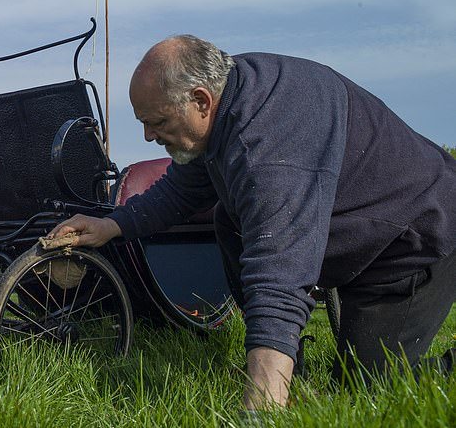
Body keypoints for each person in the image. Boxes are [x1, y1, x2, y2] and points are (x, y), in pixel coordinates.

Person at [47, 34, 456, 409]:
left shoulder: (268, 142)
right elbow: (180, 192)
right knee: (231, 216)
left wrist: (261, 406)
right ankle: (287, 368)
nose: (149, 137)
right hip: (357, 229)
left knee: (367, 391)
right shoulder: (229, 104)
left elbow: (278, 271)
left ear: (201, 101)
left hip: (412, 239)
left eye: (158, 123)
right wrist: (110, 225)